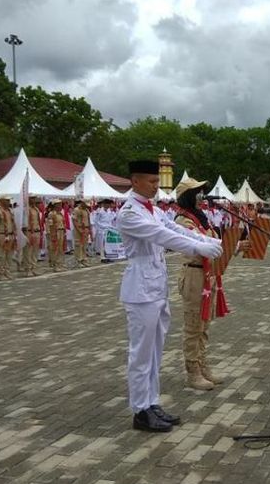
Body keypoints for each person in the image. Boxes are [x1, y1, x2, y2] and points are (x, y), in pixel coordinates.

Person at [116, 160, 222, 433]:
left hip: (155, 287)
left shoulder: (152, 209)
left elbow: (175, 228)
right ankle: (140, 410)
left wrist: (207, 241)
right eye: (151, 182)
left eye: (156, 181)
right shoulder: (129, 213)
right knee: (141, 354)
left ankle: (151, 403)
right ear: (135, 181)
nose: (156, 186)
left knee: (154, 352)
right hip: (140, 289)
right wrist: (199, 246)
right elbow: (162, 235)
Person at [173, 178, 250, 390]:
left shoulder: (202, 218)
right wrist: (232, 247)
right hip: (195, 276)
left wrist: (234, 243)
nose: (202, 195)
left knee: (204, 324)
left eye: (202, 191)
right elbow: (199, 245)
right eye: (197, 192)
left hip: (209, 275)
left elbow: (214, 243)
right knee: (193, 326)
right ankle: (193, 371)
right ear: (188, 196)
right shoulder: (183, 220)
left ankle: (203, 365)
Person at [0, 196, 17, 280]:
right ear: (1, 201)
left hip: (10, 235)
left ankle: (7, 272)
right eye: (7, 200)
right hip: (1, 234)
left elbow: (13, 223)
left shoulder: (10, 211)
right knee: (0, 256)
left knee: (9, 256)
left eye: (9, 200)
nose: (8, 202)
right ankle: (0, 273)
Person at [21, 195, 42, 277]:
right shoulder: (26, 209)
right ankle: (28, 269)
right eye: (32, 198)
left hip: (36, 231)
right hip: (29, 231)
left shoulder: (36, 209)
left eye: (34, 198)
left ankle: (34, 267)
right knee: (28, 252)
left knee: (35, 251)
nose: (34, 200)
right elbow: (23, 223)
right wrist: (26, 234)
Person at [46, 199, 66, 272]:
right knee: (55, 248)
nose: (60, 206)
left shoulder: (60, 213)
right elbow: (51, 225)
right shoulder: (52, 214)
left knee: (60, 249)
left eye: (60, 204)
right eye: (59, 204)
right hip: (55, 232)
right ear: (55, 205)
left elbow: (63, 223)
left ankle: (60, 263)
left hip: (61, 231)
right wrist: (53, 234)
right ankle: (55, 264)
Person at [73, 199, 92, 267]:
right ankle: (79, 260)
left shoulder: (86, 210)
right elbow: (74, 221)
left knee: (84, 245)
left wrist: (90, 230)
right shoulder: (76, 210)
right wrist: (79, 230)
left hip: (86, 229)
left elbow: (89, 220)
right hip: (79, 229)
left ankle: (84, 259)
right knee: (79, 245)